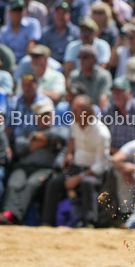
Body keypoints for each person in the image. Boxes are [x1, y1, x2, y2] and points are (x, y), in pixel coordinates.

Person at [40, 95, 111, 227]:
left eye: (76, 110)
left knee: (87, 183)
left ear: (88, 113)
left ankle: (89, 222)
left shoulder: (102, 133)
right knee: (54, 183)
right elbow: (72, 138)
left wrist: (79, 177)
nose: (72, 114)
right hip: (77, 167)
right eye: (72, 110)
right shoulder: (75, 123)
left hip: (94, 172)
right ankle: (47, 222)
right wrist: (68, 155)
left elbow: (102, 165)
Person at [1, 99, 67, 224]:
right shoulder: (26, 128)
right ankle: (7, 212)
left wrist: (39, 138)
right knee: (14, 183)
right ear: (36, 117)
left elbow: (62, 136)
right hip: (24, 166)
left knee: (31, 184)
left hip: (45, 168)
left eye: (48, 114)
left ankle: (13, 216)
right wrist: (46, 142)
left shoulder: (59, 128)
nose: (46, 117)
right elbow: (19, 147)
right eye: (42, 115)